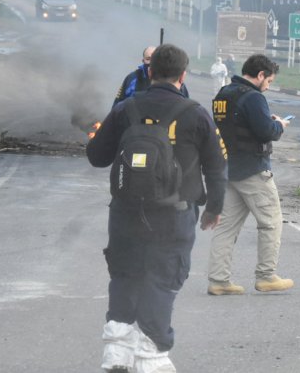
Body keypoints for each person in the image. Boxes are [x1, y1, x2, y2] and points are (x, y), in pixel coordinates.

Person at [87, 44, 227, 373]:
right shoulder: (195, 113)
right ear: (183, 75)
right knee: (163, 277)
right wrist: (213, 209)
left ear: (149, 72)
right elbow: (217, 166)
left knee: (124, 273)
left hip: (125, 211)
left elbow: (97, 156)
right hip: (175, 213)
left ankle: (117, 351)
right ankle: (151, 354)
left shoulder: (126, 109)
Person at [206, 54, 293, 295]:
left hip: (228, 168)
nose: (268, 86)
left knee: (226, 227)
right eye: (269, 80)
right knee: (271, 221)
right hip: (253, 169)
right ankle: (266, 276)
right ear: (260, 74)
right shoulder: (253, 97)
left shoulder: (223, 94)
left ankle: (219, 280)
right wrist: (279, 125)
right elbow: (265, 131)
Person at [113, 46, 188, 108]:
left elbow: (186, 107)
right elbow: (117, 105)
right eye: (148, 59)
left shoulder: (174, 80)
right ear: (143, 60)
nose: (151, 62)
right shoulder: (132, 78)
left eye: (154, 59)